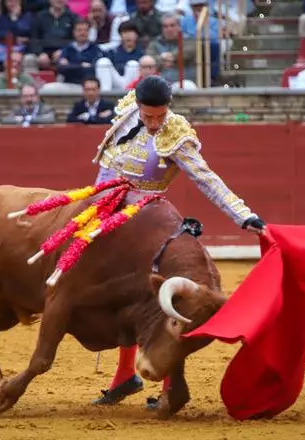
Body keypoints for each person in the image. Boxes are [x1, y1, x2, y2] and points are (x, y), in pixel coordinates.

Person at [90, 75, 266, 408]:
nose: (155, 124)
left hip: (148, 224)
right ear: (138, 105)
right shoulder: (128, 109)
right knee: (120, 299)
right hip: (109, 217)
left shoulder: (177, 135)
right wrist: (93, 209)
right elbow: (105, 165)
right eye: (149, 117)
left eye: (160, 116)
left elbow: (207, 179)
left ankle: (169, 383)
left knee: (161, 304)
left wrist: (244, 216)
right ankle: (125, 376)